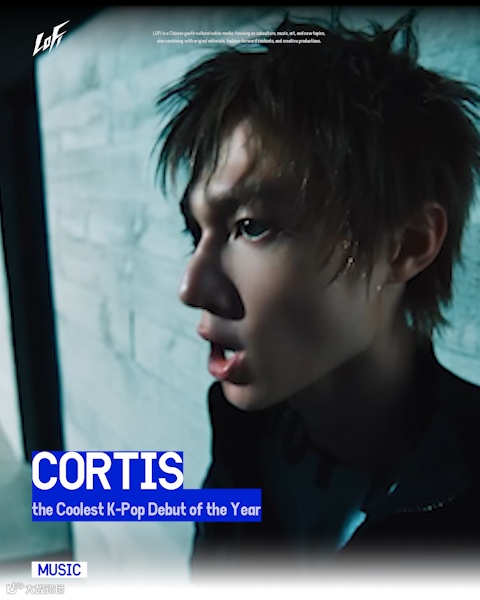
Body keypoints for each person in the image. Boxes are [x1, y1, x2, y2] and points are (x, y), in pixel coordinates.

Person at [154, 11, 480, 575]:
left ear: (404, 244)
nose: (191, 287)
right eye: (195, 232)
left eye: (251, 226)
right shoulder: (242, 432)